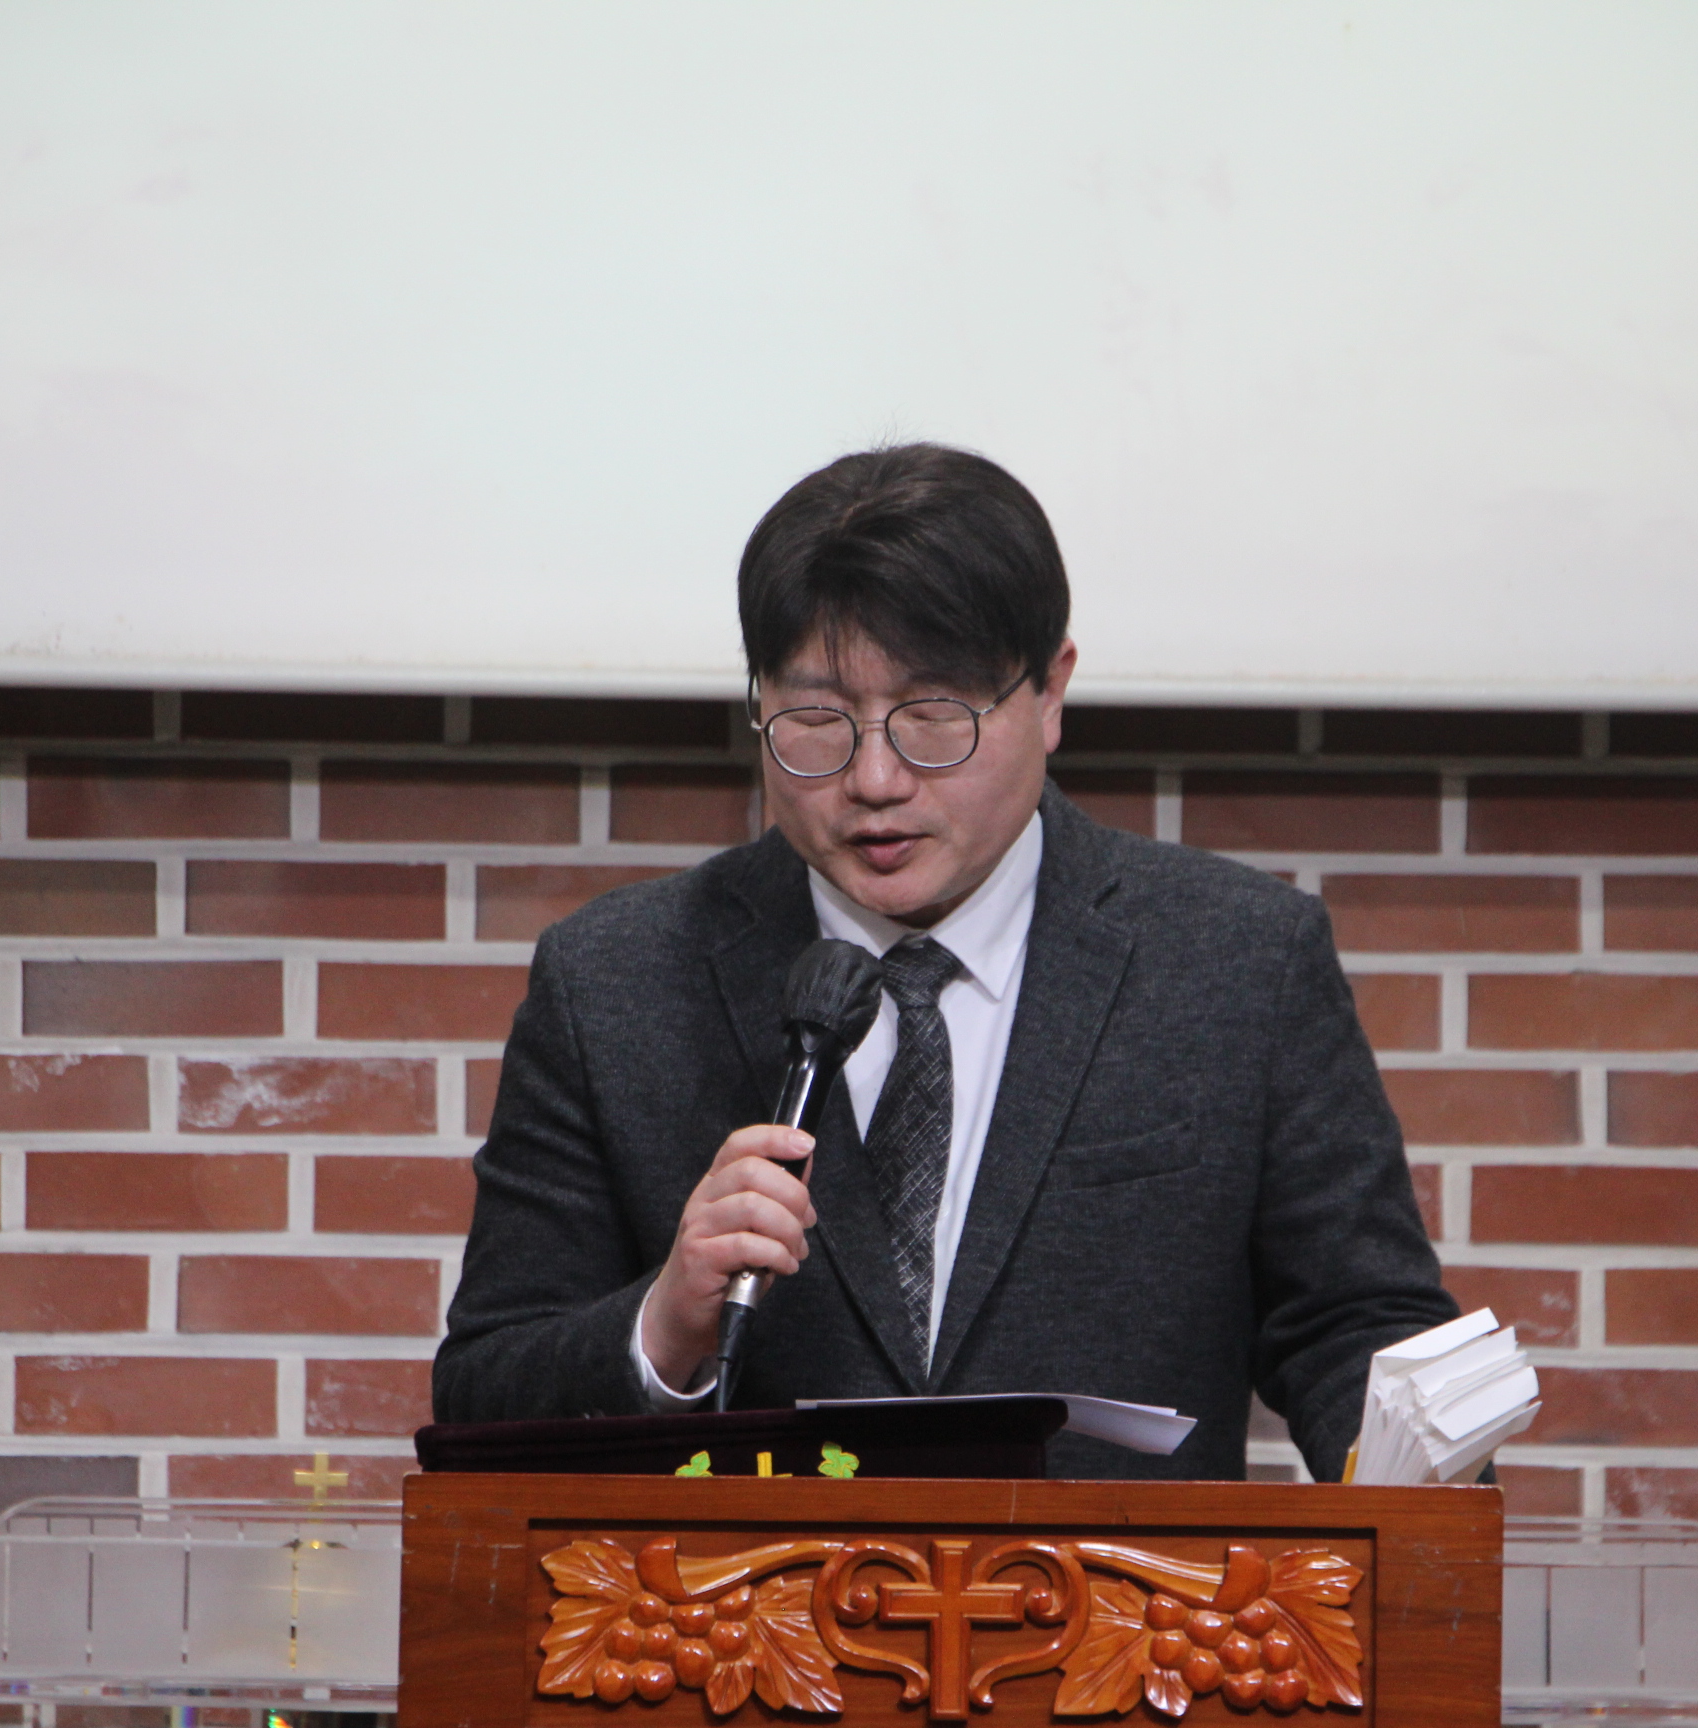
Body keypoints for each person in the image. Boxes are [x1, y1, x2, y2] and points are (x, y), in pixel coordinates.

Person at [433, 443, 1457, 1480]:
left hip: (1123, 1588)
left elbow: (1358, 1327)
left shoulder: (1240, 960)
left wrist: (1419, 1497)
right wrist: (664, 1328)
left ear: (1050, 692)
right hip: (744, 1590)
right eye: (817, 720)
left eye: (933, 717)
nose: (876, 779)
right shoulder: (614, 981)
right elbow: (483, 1391)